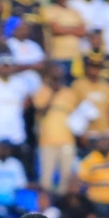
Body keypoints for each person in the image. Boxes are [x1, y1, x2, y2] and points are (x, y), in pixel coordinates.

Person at [32, 63, 77, 192]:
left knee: (66, 179)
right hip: (47, 141)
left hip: (67, 140)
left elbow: (76, 116)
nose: (57, 79)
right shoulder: (42, 91)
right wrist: (53, 94)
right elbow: (40, 111)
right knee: (46, 180)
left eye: (59, 76)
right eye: (54, 76)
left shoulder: (69, 93)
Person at [40, 0, 86, 77]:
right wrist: (74, 29)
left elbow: (82, 32)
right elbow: (56, 30)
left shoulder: (76, 12)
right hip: (58, 57)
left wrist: (64, 28)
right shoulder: (49, 10)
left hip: (75, 57)